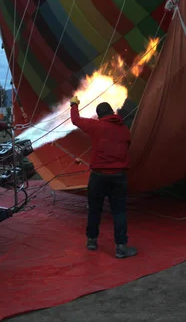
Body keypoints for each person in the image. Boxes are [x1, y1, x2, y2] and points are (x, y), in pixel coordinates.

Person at [69, 96, 138, 259]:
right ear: (112, 112)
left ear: (99, 116)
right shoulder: (124, 129)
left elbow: (75, 120)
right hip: (118, 176)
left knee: (94, 209)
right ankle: (121, 247)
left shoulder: (96, 125)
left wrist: (74, 104)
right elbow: (127, 145)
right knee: (119, 212)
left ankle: (91, 240)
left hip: (98, 176)